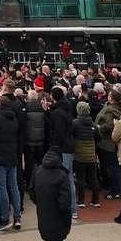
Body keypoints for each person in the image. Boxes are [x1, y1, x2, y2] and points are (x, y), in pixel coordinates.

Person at [0, 96, 23, 231]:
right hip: (12, 155)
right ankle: (17, 217)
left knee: (2, 188)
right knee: (13, 187)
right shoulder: (14, 119)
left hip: (0, 156)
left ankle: (4, 217)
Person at [49, 87, 76, 219]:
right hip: (69, 146)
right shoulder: (66, 109)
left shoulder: (59, 112)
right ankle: (72, 208)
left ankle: (69, 209)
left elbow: (58, 132)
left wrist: (54, 147)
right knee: (69, 177)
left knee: (65, 178)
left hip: (63, 147)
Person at [95, 90, 121, 200]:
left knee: (112, 167)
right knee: (110, 166)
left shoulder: (111, 111)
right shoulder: (115, 108)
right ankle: (112, 186)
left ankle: (115, 190)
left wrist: (99, 128)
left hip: (107, 142)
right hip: (109, 142)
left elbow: (110, 124)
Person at [72, 102, 100, 209]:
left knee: (81, 179)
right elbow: (99, 138)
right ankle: (95, 200)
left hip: (79, 156)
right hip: (92, 156)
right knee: (94, 178)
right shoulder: (93, 124)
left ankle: (81, 200)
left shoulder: (74, 123)